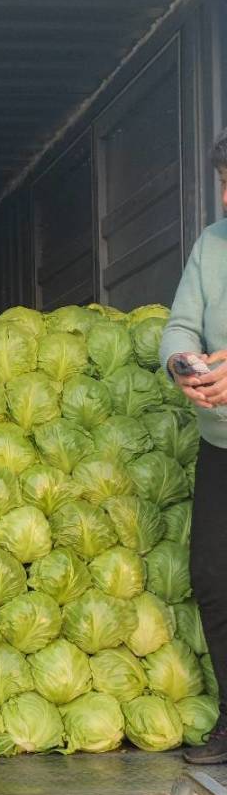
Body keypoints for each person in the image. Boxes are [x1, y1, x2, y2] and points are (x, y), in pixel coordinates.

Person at [160, 126, 227, 762]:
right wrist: (183, 362)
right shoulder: (213, 245)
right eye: (226, 184)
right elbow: (181, 321)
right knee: (213, 577)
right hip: (222, 445)